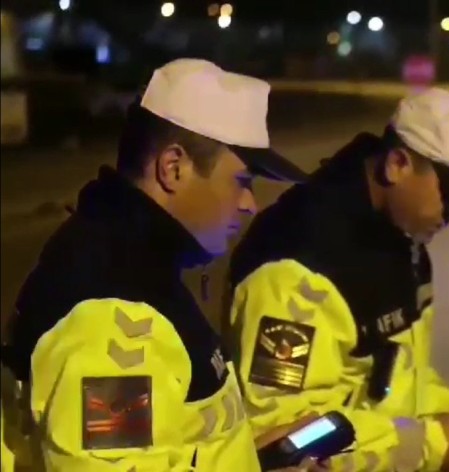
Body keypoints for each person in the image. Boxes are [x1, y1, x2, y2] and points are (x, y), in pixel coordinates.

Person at [0, 58, 322, 471]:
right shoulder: (113, 314)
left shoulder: (133, 262)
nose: (250, 205)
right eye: (242, 183)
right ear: (173, 168)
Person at [226, 87, 449, 471]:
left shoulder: (400, 240)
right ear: (397, 164)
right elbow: (288, 440)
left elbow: (387, 385)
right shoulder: (299, 267)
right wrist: (429, 441)